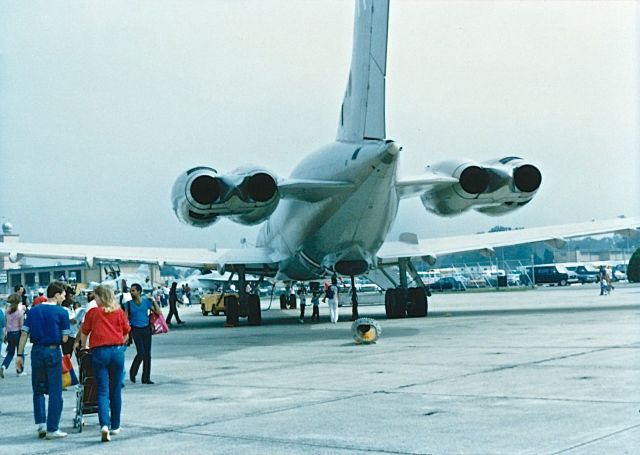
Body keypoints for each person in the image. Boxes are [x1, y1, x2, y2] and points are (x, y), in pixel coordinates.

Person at [15, 281, 70, 440]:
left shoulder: (33, 310)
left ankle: (41, 424)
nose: (64, 298)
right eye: (63, 295)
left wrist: (19, 355)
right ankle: (53, 428)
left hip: (37, 351)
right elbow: (65, 338)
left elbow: (24, 334)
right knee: (55, 391)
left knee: (38, 389)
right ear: (57, 294)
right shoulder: (62, 312)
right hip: (53, 351)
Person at [80, 285, 130, 442]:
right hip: (116, 351)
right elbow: (126, 331)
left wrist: (83, 347)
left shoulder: (93, 313)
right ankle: (115, 426)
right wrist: (120, 345)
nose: (94, 299)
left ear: (101, 297)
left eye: (96, 297)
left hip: (99, 352)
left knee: (102, 390)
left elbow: (84, 332)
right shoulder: (119, 312)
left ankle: (104, 426)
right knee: (116, 389)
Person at [124, 283, 161, 384]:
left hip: (146, 329)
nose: (131, 293)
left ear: (139, 291)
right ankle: (133, 372)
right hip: (135, 330)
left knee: (147, 354)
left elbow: (158, 312)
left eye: (133, 291)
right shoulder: (128, 304)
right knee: (141, 352)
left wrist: (153, 301)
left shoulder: (146, 302)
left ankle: (146, 378)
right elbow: (124, 319)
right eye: (130, 291)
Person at [1, 293, 26, 378]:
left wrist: (5, 335)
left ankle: (4, 366)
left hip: (10, 333)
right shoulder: (20, 312)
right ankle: (19, 370)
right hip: (17, 333)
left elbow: (6, 323)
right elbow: (21, 325)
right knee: (20, 352)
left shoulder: (7, 311)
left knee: (10, 353)